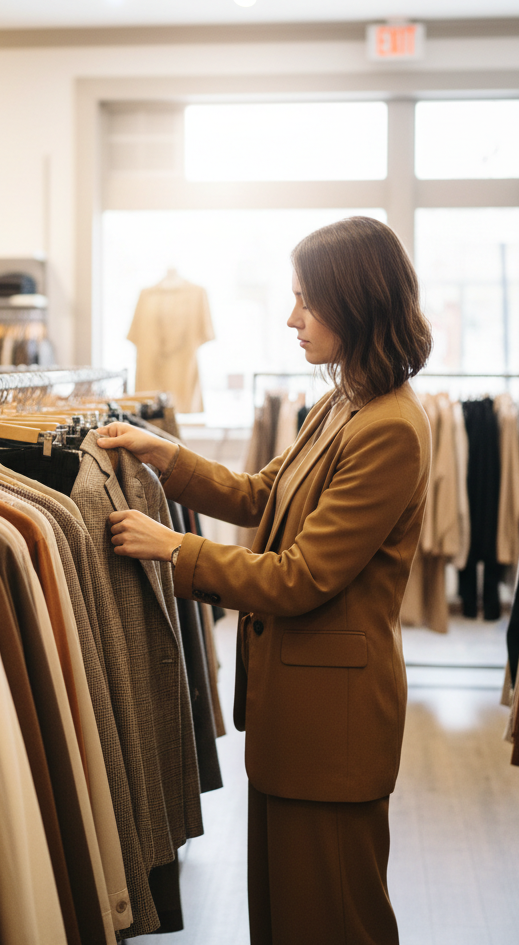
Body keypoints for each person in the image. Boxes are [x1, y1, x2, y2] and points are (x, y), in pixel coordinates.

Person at [95, 215, 433, 945]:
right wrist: (166, 454)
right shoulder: (343, 402)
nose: (292, 318)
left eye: (306, 301)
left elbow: (302, 576)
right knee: (286, 916)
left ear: (356, 300)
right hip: (297, 712)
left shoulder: (390, 427)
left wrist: (175, 550)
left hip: (332, 725)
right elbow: (260, 496)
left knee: (337, 917)